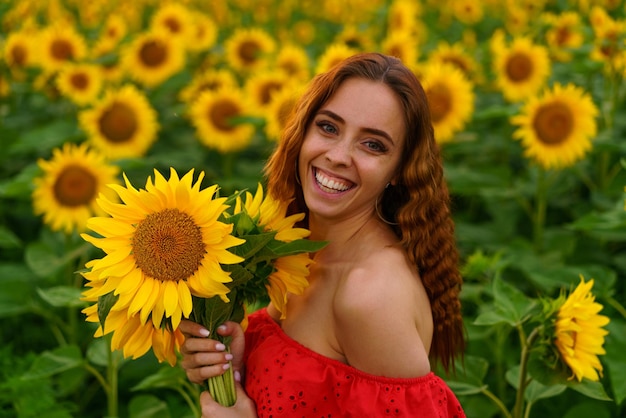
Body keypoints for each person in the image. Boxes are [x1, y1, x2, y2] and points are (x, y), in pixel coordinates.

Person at [180, 52, 466, 418]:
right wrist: (240, 365)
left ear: (399, 169)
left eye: (373, 144)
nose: (338, 155)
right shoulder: (300, 251)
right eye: (329, 127)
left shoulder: (371, 296)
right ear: (302, 130)